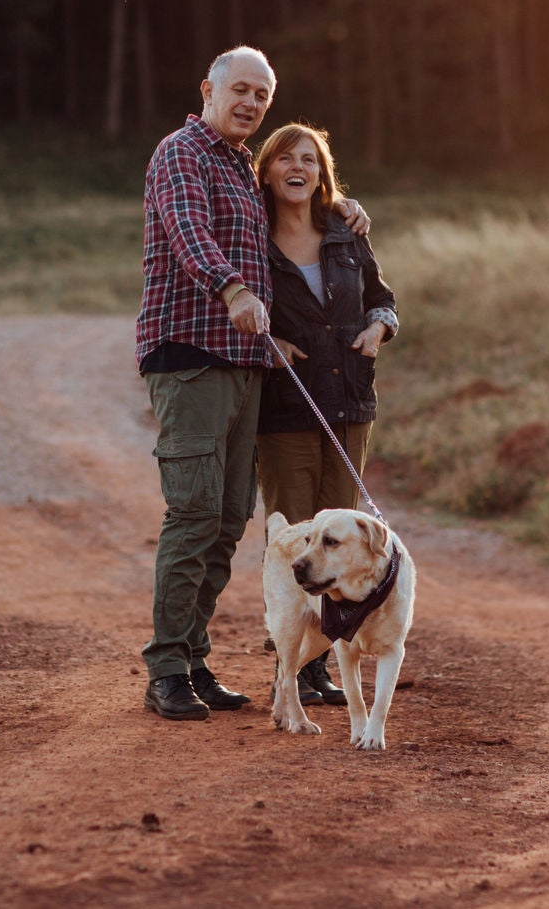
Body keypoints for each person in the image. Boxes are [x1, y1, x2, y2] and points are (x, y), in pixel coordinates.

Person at [134, 46, 368, 721]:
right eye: (240, 89)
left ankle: (196, 658)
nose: (251, 103)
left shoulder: (240, 164)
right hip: (191, 356)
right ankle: (167, 668)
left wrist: (343, 204)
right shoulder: (182, 152)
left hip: (244, 365)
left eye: (261, 95)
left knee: (231, 515)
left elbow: (295, 203)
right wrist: (232, 287)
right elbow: (187, 230)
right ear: (208, 87)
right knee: (196, 509)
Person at [251, 122, 399, 708]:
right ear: (266, 171)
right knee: (296, 537)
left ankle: (321, 663)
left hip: (349, 403)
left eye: (309, 159)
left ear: (322, 173)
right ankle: (291, 662)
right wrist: (271, 345)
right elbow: (240, 306)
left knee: (340, 543)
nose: (298, 166)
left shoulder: (345, 233)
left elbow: (383, 298)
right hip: (285, 407)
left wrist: (380, 326)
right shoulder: (252, 237)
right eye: (285, 157)